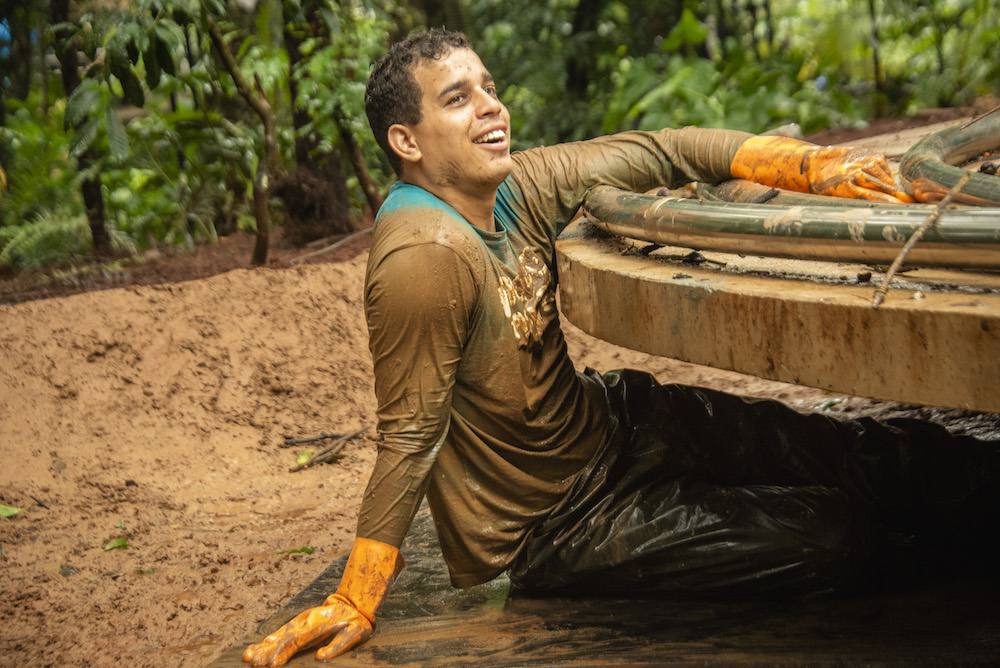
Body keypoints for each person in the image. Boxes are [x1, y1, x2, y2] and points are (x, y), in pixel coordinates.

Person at [243, 29, 996, 667]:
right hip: (564, 523)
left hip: (617, 423)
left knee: (849, 450)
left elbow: (661, 150)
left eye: (489, 87)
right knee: (833, 540)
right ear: (405, 142)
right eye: (457, 98)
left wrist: (816, 167)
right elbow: (409, 433)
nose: (491, 106)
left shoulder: (516, 186)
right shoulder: (422, 253)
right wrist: (356, 593)